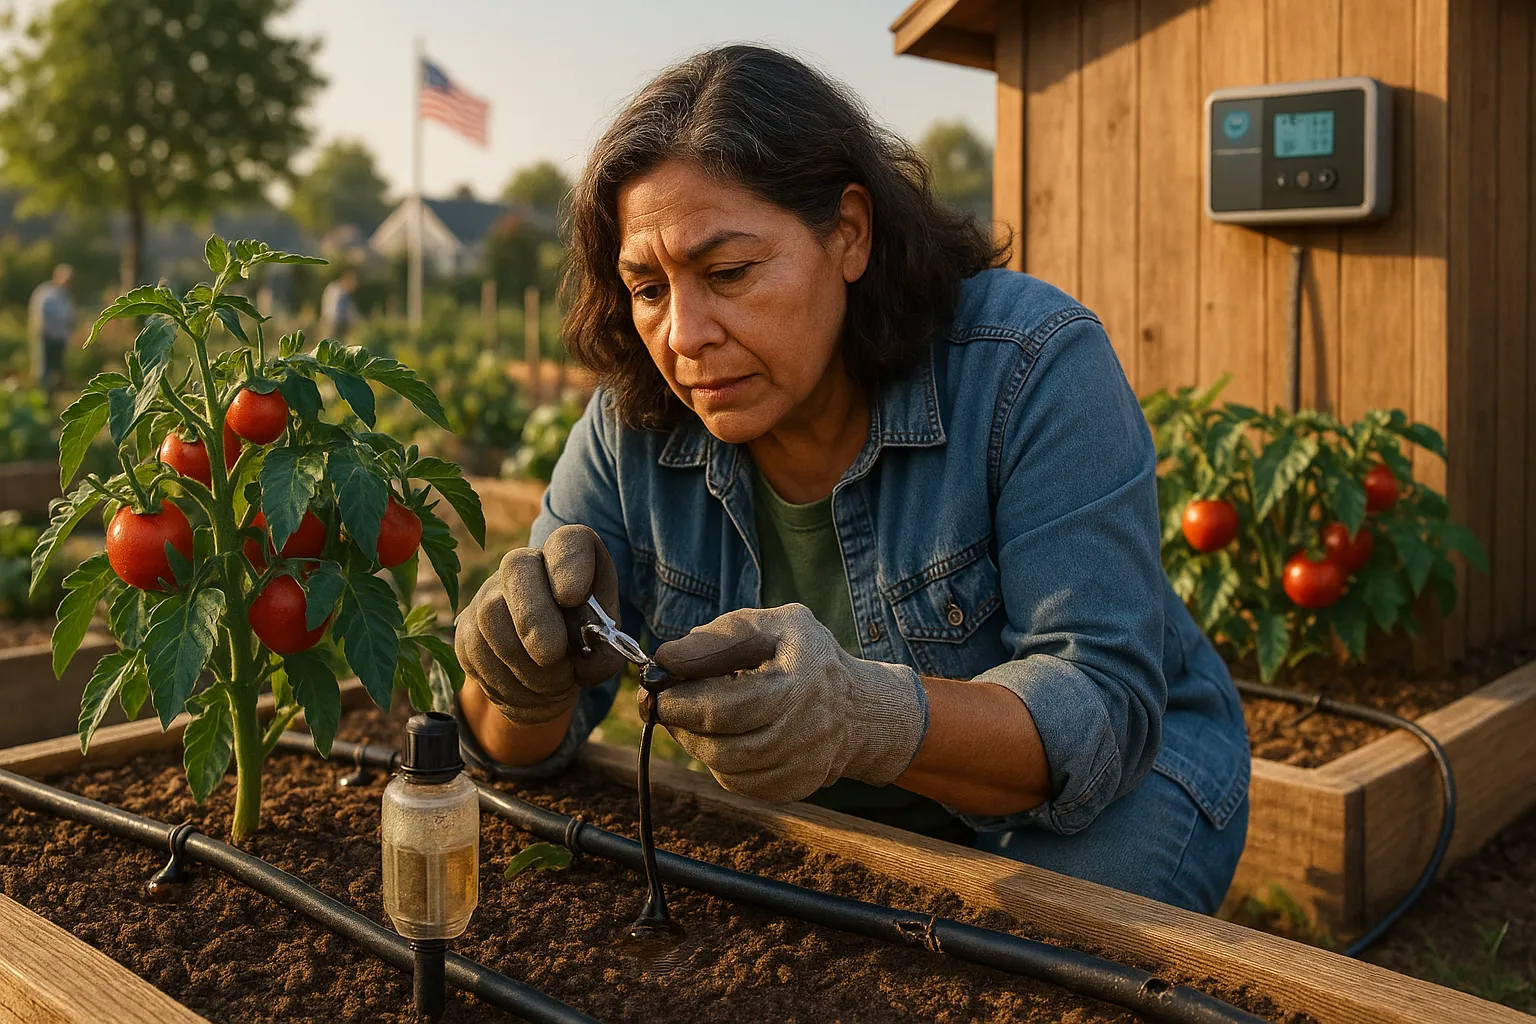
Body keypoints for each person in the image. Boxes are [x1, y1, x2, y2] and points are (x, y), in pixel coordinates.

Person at [454, 45, 1251, 914]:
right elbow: (519, 754)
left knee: (1046, 954)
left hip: (1108, 792)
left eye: (728, 274)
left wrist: (868, 714)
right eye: (648, 288)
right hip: (821, 824)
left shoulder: (1029, 367)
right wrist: (522, 679)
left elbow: (1095, 707)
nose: (684, 334)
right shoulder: (632, 425)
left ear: (850, 234)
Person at [28, 264, 76, 393]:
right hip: (46, 336)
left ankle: (52, 395)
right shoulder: (46, 293)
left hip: (60, 337)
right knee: (44, 368)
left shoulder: (65, 296)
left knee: (57, 369)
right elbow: (40, 315)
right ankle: (42, 397)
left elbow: (69, 316)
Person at [320, 269, 359, 340]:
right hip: (332, 324)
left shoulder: (334, 288)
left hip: (329, 321)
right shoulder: (340, 292)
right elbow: (336, 311)